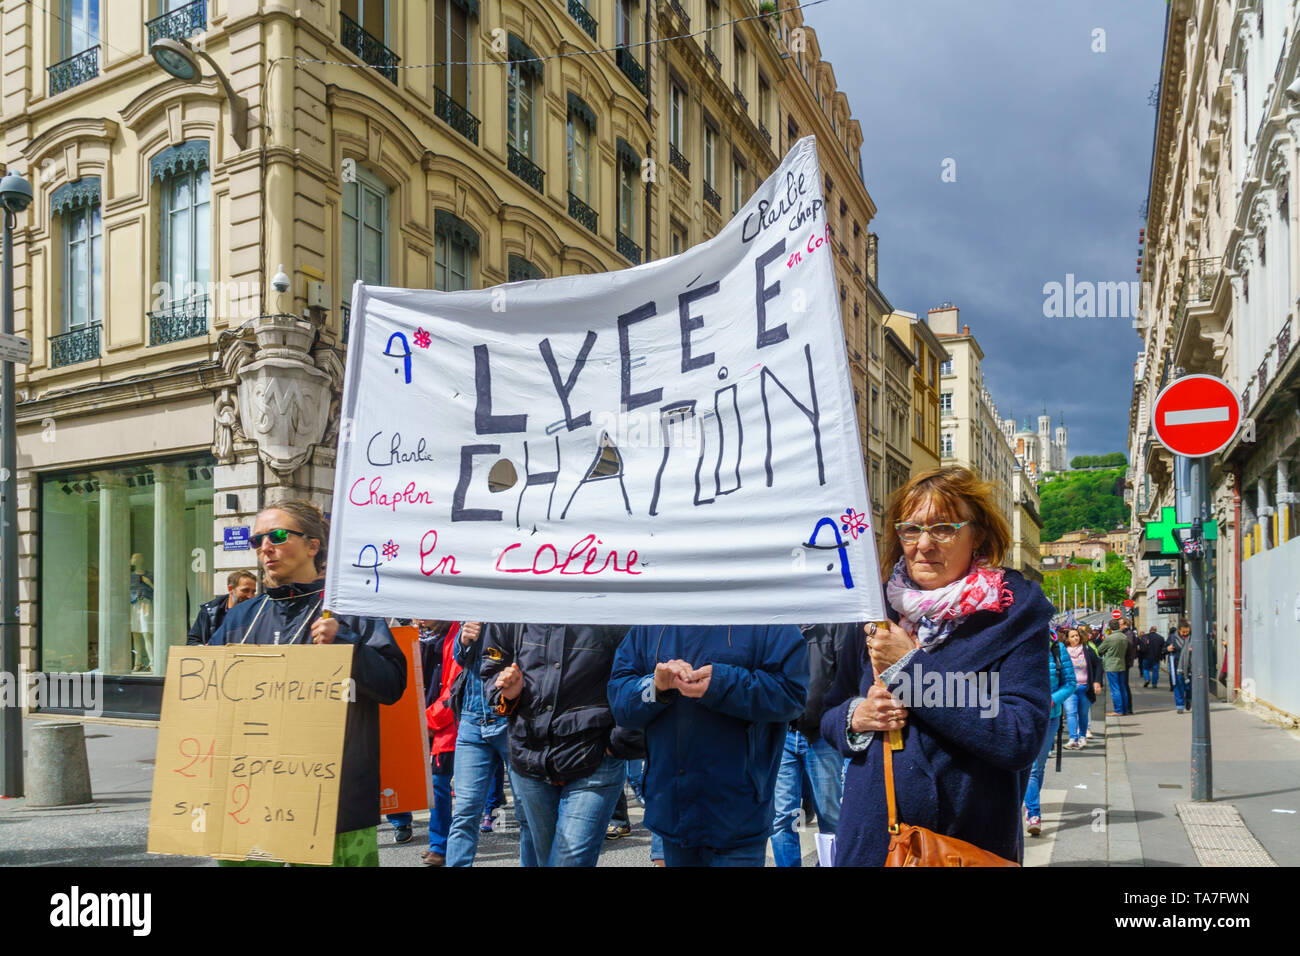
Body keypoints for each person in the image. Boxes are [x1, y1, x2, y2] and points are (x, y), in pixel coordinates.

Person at [821, 466, 1053, 867]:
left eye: (943, 528)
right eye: (911, 530)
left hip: (962, 846)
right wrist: (855, 716)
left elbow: (1020, 734)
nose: (923, 544)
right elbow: (828, 714)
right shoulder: (874, 609)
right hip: (873, 843)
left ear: (976, 534)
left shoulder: (1013, 612)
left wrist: (909, 669)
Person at [209, 499, 406, 867]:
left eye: (278, 535)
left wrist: (346, 646)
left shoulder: (348, 610)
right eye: (257, 540)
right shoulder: (240, 618)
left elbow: (393, 686)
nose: (265, 547)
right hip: (250, 797)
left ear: (313, 546)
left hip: (331, 799)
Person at [608, 623, 808, 866]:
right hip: (671, 812)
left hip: (738, 814)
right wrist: (655, 687)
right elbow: (620, 701)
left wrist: (722, 684)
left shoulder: (765, 608)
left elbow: (792, 694)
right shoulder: (654, 616)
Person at [481, 623, 644, 867]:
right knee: (547, 861)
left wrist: (617, 743)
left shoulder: (607, 598)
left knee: (566, 863)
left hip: (594, 759)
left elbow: (636, 671)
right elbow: (491, 665)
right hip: (530, 758)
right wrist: (505, 692)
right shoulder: (512, 598)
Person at [767, 622, 855, 867]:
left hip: (822, 736)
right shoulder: (777, 626)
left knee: (830, 816)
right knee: (782, 818)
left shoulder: (834, 625)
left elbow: (846, 679)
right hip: (782, 733)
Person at [445, 620, 517, 867]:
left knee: (529, 814)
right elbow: (460, 658)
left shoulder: (523, 599)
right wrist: (463, 640)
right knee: (464, 813)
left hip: (514, 720)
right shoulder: (476, 596)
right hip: (473, 720)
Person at [422, 621, 478, 865]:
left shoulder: (459, 631)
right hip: (449, 721)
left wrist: (428, 720)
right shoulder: (444, 634)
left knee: (443, 786)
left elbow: (454, 689)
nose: (420, 619)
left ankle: (441, 846)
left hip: (453, 724)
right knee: (440, 785)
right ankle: (439, 844)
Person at [1024, 631, 1078, 836]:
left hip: (1050, 716)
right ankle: (1033, 813)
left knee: (1039, 765)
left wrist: (1052, 700)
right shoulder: (1019, 645)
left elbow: (1071, 683)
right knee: (1031, 767)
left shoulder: (1057, 649)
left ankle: (1030, 805)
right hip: (1025, 715)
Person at [187, 570, 257, 646]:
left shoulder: (259, 613)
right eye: (245, 590)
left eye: (253, 592)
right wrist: (204, 649)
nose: (250, 596)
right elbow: (192, 641)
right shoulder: (209, 611)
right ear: (230, 589)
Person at [1061, 627, 1102, 749]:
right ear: (1067, 639)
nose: (1075, 638)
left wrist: (1097, 682)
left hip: (1085, 687)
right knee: (1070, 713)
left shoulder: (1087, 649)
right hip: (1070, 688)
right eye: (1072, 636)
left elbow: (1098, 664)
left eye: (1077, 635)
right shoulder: (1064, 651)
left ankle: (1082, 737)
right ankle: (1073, 738)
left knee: (1083, 714)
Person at [1100, 621, 1130, 717]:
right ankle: (1125, 709)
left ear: (1110, 628)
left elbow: (1100, 649)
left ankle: (1118, 710)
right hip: (1121, 664)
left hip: (1111, 665)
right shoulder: (1124, 637)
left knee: (1115, 689)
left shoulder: (1110, 638)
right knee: (1122, 687)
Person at [1168, 619, 1192, 713]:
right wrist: (1168, 648)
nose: (1185, 633)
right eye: (1183, 632)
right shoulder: (1172, 638)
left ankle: (1189, 700)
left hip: (1190, 667)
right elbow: (1164, 649)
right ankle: (1180, 706)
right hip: (1177, 666)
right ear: (1179, 630)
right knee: (1178, 687)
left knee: (1189, 687)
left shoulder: (1193, 637)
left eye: (1187, 631)